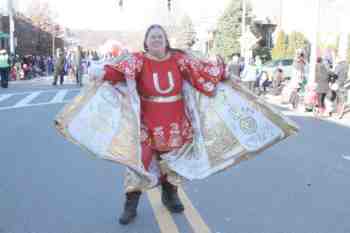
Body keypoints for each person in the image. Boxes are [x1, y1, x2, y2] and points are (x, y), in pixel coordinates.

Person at [96, 24, 227, 225]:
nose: (156, 40)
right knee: (138, 164)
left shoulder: (178, 59)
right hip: (147, 123)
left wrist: (222, 73)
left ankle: (170, 195)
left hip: (175, 122)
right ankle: (130, 204)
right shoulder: (138, 61)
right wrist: (100, 73)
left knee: (172, 163)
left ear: (166, 41)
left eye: (160, 37)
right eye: (152, 37)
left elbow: (200, 72)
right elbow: (117, 72)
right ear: (146, 42)